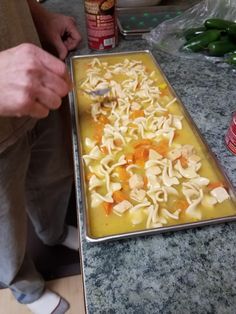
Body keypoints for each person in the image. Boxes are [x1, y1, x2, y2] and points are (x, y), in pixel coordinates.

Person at [0, 0, 82, 313]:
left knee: (54, 175)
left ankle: (53, 231)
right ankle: (25, 288)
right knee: (4, 221)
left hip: (38, 78)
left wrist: (39, 17)